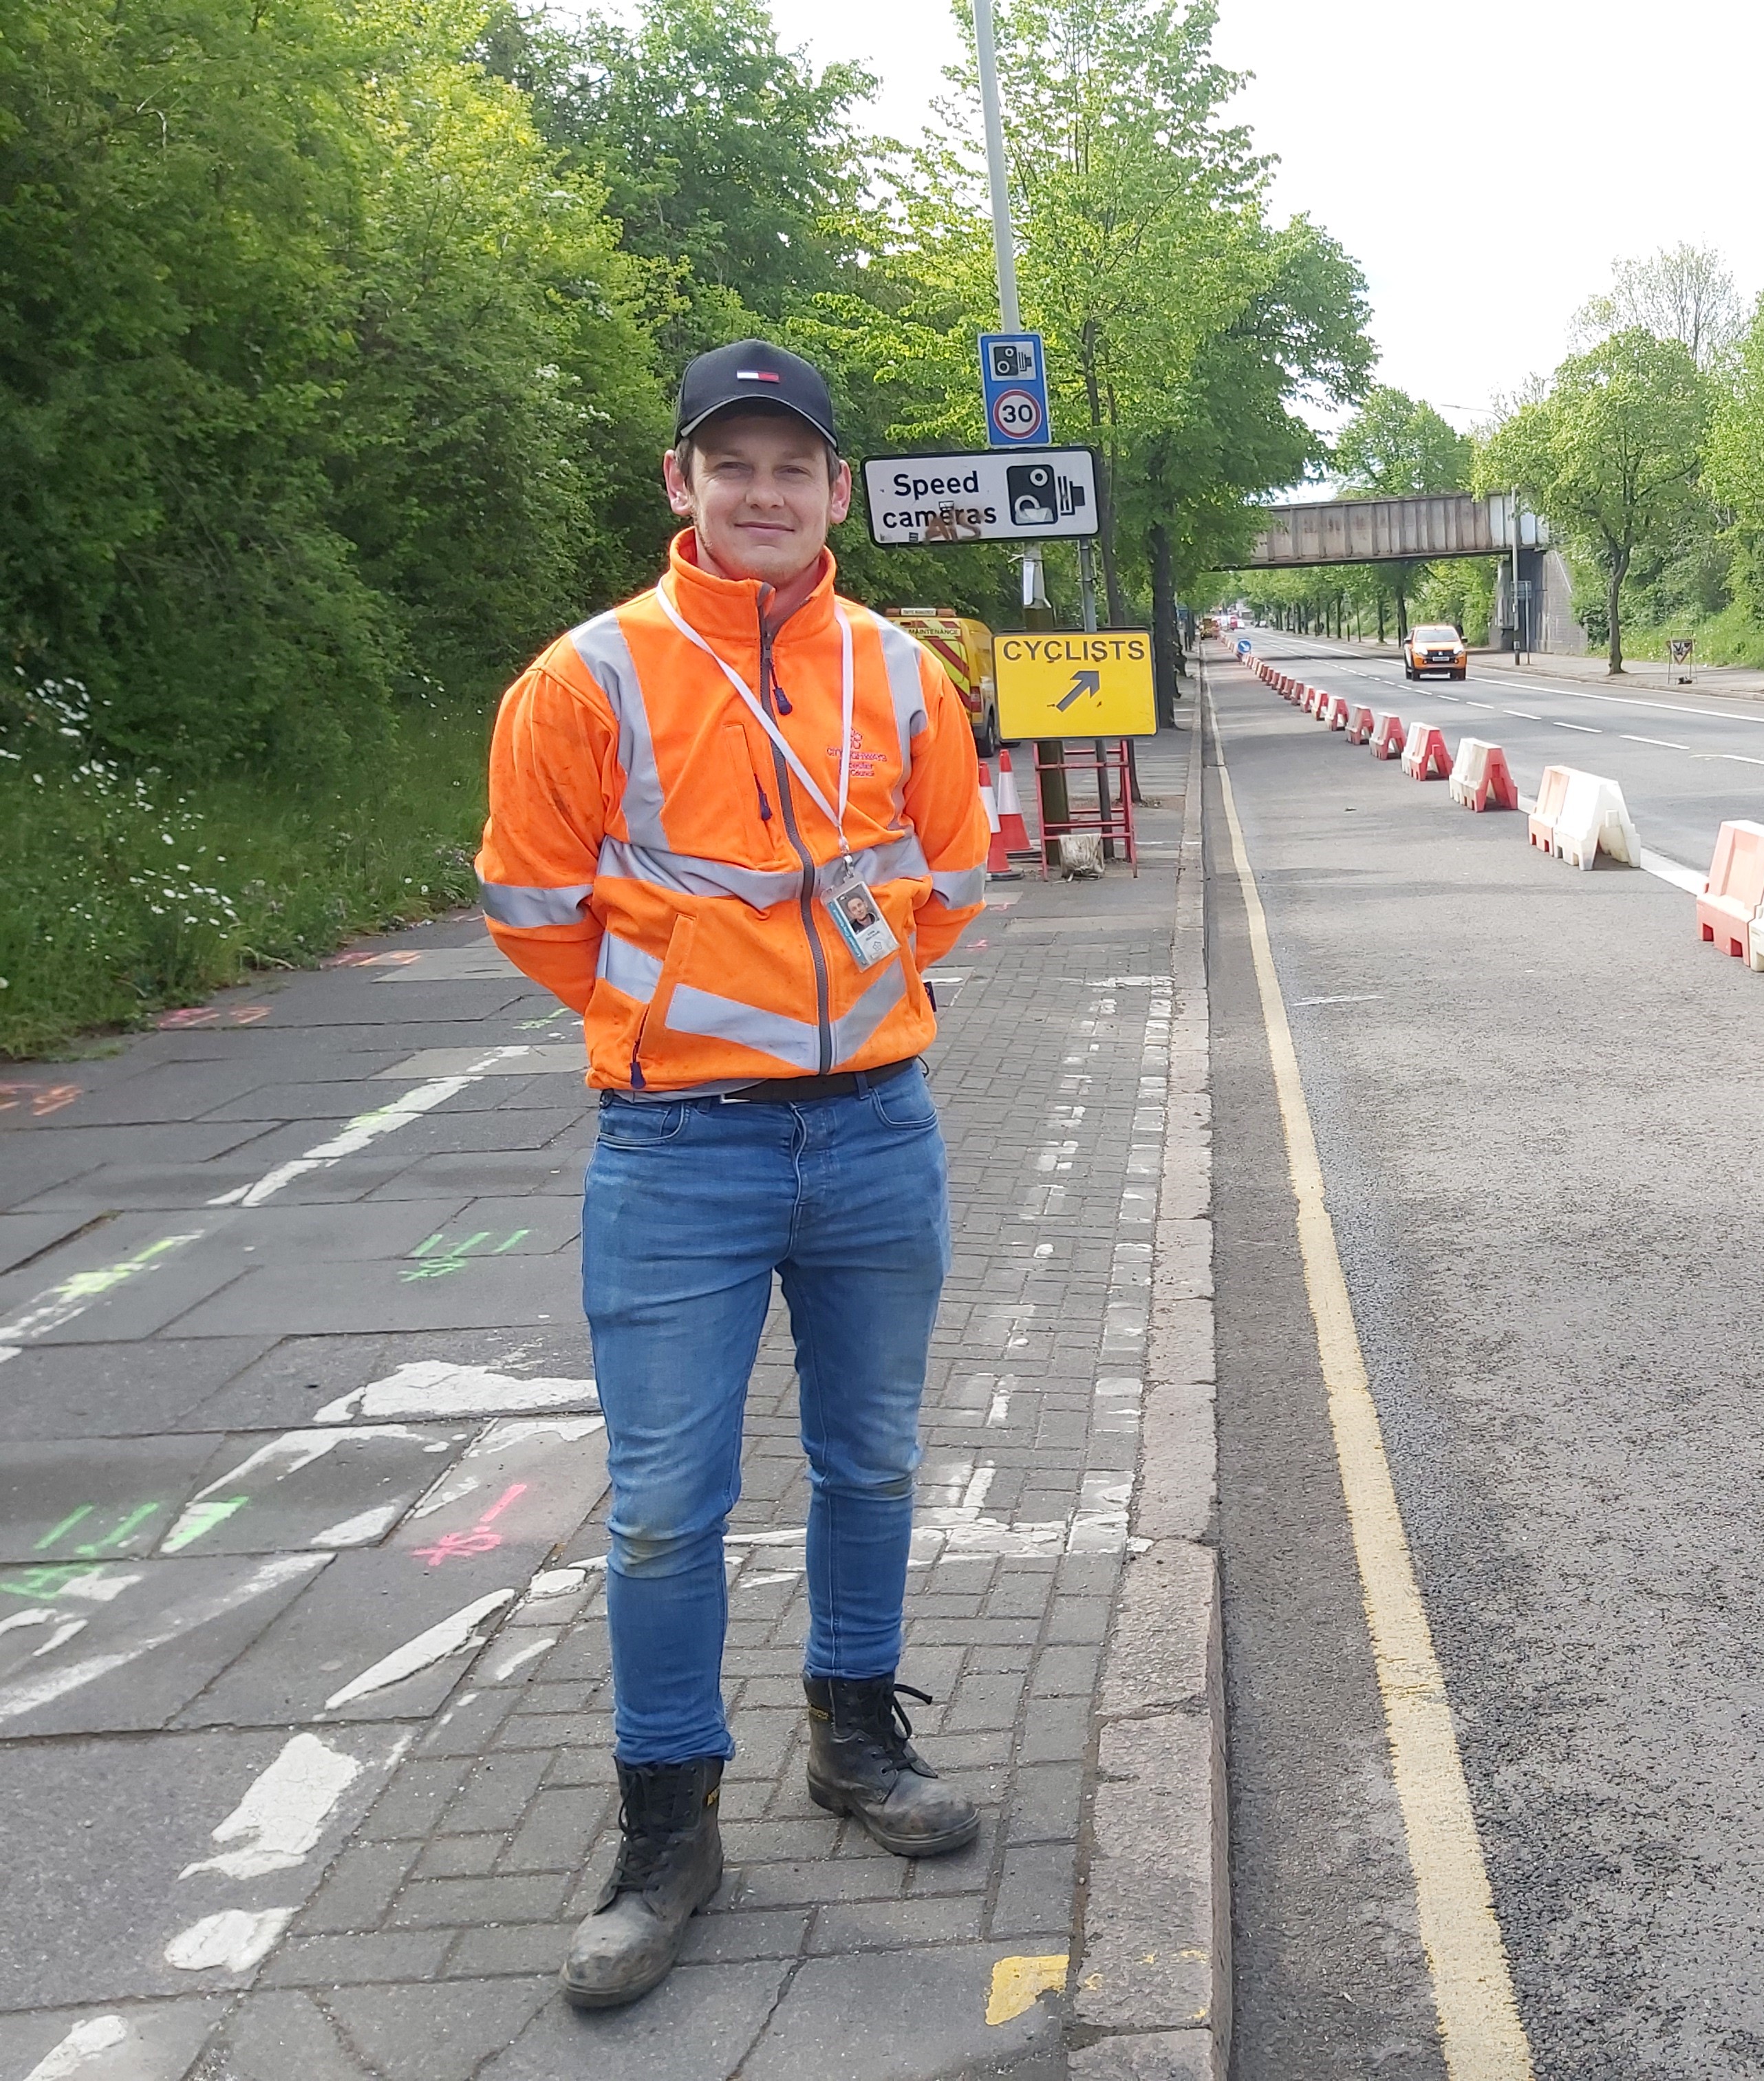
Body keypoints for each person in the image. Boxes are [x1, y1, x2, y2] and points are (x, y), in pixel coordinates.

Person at [475, 340, 993, 2009]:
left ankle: (853, 1739)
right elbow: (534, 913)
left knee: (873, 1458)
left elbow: (951, 874)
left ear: (836, 492)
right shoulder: (583, 681)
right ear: (680, 485)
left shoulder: (904, 676)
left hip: (875, 1128)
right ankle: (668, 1826)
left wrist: (842, 1012)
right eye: (733, 463)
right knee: (658, 1511)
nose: (763, 493)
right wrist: (679, 1016)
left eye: (794, 466)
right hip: (676, 1145)